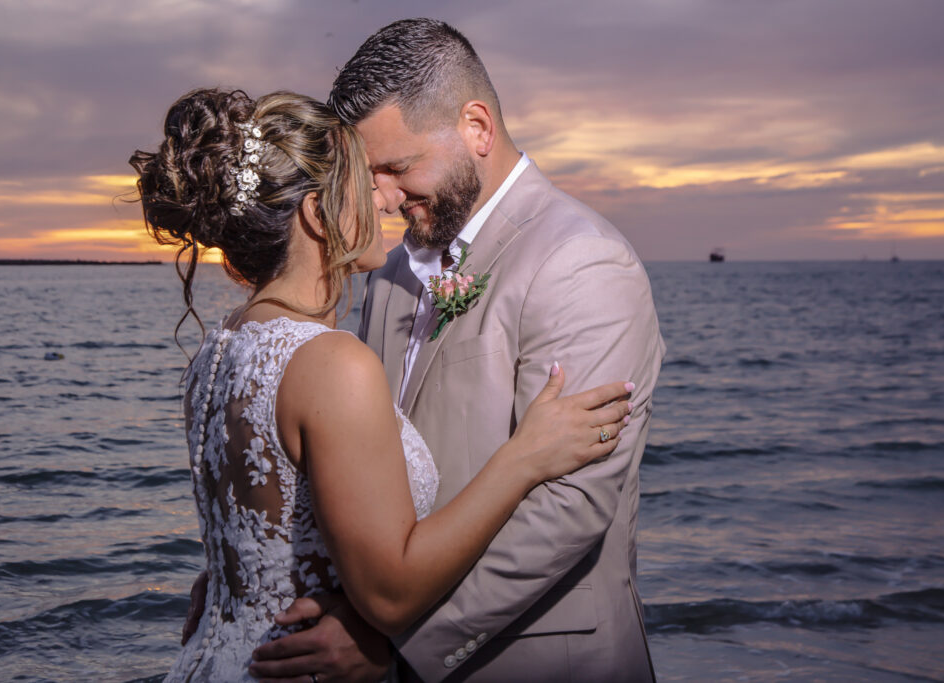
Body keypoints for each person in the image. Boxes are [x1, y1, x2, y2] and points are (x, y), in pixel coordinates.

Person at [131, 89, 633, 682]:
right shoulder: (330, 362)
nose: (387, 197)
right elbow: (390, 597)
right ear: (317, 214)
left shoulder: (217, 354)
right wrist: (523, 458)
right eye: (364, 184)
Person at [247, 18, 665, 682]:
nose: (382, 196)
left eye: (396, 167)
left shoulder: (581, 260)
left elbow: (570, 506)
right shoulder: (389, 274)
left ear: (476, 128)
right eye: (368, 174)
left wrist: (396, 641)